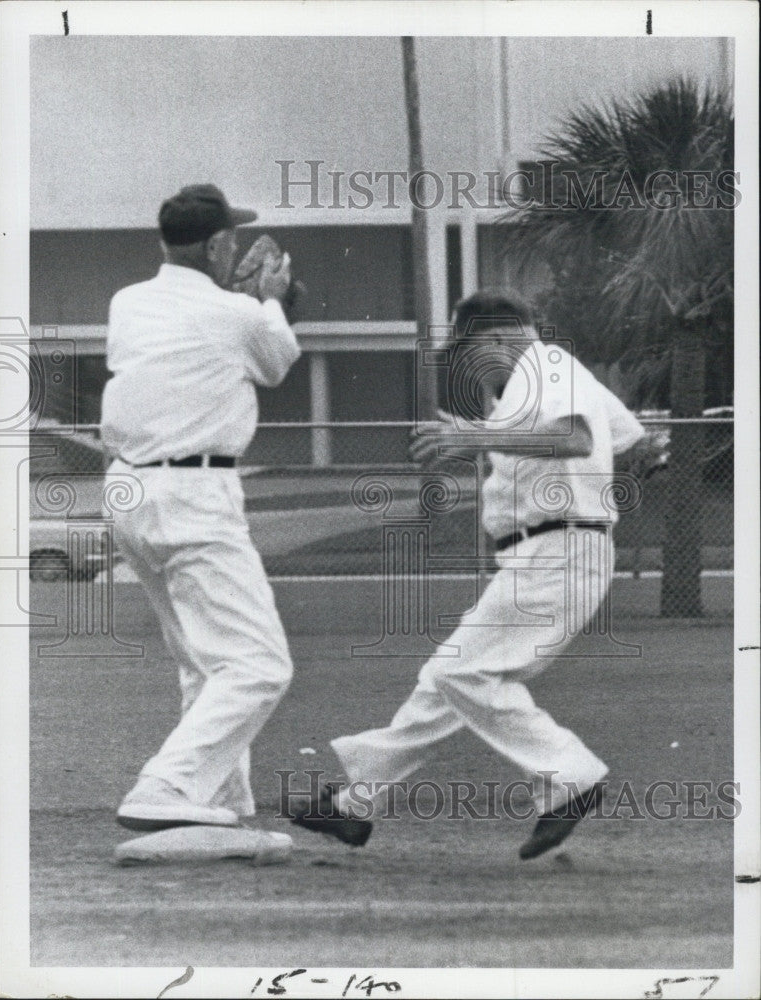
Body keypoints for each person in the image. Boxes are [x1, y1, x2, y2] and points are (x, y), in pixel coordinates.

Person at [293, 289, 645, 859]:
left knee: (463, 675)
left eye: (471, 349)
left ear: (502, 337)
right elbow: (627, 438)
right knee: (443, 682)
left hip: (557, 548)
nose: (468, 362)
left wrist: (474, 437)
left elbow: (577, 437)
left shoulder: (544, 366)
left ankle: (572, 777)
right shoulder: (548, 374)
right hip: (556, 547)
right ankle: (355, 806)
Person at [102, 184, 300, 831]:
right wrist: (269, 299)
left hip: (129, 494)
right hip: (192, 497)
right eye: (231, 242)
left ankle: (220, 797)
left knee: (203, 663)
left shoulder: (127, 301)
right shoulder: (237, 314)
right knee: (259, 665)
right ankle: (168, 785)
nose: (236, 249)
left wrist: (242, 300)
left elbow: (203, 334)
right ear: (217, 244)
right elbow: (274, 362)